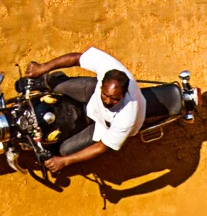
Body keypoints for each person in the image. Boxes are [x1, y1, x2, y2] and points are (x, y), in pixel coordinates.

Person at [19, 46, 149, 180]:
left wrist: (64, 161)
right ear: (102, 84)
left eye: (115, 99)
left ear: (124, 94)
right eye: (105, 95)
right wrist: (43, 67)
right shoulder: (109, 68)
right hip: (92, 97)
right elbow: (77, 58)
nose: (108, 101)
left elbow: (101, 147)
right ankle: (44, 81)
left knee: (65, 150)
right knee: (56, 83)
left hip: (103, 125)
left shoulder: (127, 117)